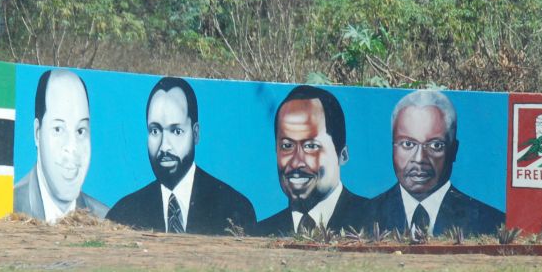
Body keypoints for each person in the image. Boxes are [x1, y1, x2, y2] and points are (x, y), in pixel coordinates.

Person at [107, 76, 255, 234]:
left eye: (176, 131)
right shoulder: (123, 214)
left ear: (195, 134)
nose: (164, 146)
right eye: (155, 131)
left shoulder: (234, 209)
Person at [370, 90, 504, 237]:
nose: (419, 159)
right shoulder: (363, 216)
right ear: (393, 147)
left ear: (453, 151)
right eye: (408, 144)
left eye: (435, 145)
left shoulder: (493, 224)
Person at [256, 85, 371, 235]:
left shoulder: (377, 221)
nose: (296, 162)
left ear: (342, 155)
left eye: (311, 146)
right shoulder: (260, 233)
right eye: (287, 146)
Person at [14, 69, 108, 223]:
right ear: (37, 133)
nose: (72, 148)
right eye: (58, 129)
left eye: (80, 131)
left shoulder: (105, 219)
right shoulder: (9, 207)